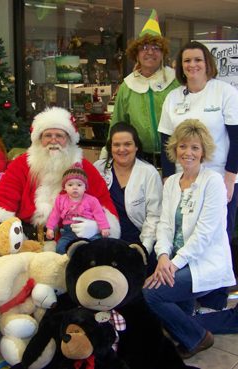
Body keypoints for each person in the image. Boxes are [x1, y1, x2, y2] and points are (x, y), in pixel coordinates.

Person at [143, 119, 236, 359]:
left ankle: (198, 338)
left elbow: (205, 233)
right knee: (171, 310)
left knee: (151, 294)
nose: (188, 153)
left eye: (195, 147)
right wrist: (163, 256)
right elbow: (164, 225)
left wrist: (173, 264)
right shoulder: (172, 182)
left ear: (204, 152)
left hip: (201, 261)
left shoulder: (213, 182)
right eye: (183, 146)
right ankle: (188, 328)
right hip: (174, 260)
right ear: (175, 149)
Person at [158, 40, 238, 311]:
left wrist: (230, 177)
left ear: (208, 63)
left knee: (215, 238)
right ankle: (186, 296)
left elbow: (236, 137)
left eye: (198, 60)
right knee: (183, 233)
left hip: (219, 176)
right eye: (187, 61)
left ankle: (214, 302)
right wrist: (169, 178)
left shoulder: (224, 92)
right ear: (180, 67)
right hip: (184, 176)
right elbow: (165, 138)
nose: (192, 65)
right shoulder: (173, 98)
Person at [0, 106, 120, 247]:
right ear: (39, 139)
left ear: (69, 139)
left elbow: (104, 203)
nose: (53, 140)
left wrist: (97, 226)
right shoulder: (22, 164)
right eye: (48, 135)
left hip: (70, 244)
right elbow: (5, 194)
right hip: (25, 242)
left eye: (59, 135)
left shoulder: (85, 168)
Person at [108, 9, 179, 166]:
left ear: (163, 53)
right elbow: (118, 123)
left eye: (156, 47)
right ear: (136, 53)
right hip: (138, 160)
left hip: (176, 157)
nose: (150, 52)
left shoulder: (175, 81)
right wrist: (108, 155)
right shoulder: (127, 86)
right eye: (144, 47)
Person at [94, 122, 162, 261]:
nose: (122, 149)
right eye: (116, 145)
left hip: (136, 242)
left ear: (136, 146)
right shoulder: (99, 168)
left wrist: (144, 248)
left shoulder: (149, 173)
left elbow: (154, 216)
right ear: (110, 147)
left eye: (127, 144)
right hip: (104, 238)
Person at [46, 164, 110, 254]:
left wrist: (104, 227)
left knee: (98, 245)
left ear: (85, 187)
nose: (75, 188)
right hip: (69, 232)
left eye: (79, 185)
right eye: (70, 184)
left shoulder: (92, 200)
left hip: (89, 231)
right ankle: (67, 262)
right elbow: (55, 214)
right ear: (64, 187)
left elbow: (99, 214)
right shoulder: (60, 199)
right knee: (60, 247)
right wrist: (50, 228)